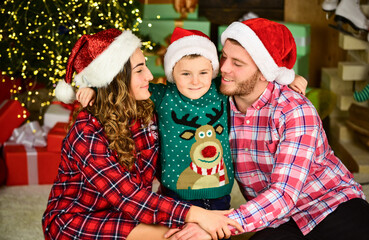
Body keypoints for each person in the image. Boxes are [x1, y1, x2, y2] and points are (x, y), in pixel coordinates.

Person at [42, 28, 243, 240]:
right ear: (115, 80)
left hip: (134, 213)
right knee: (178, 236)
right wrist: (197, 214)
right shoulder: (86, 131)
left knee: (192, 233)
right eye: (139, 70)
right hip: (82, 219)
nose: (150, 75)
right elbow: (127, 195)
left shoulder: (146, 109)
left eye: (145, 66)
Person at [216, 18, 368, 239]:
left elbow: (283, 194)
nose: (224, 68)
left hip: (329, 203)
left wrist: (218, 226)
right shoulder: (216, 104)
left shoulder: (294, 110)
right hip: (277, 220)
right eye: (224, 56)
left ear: (264, 72)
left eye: (237, 63)